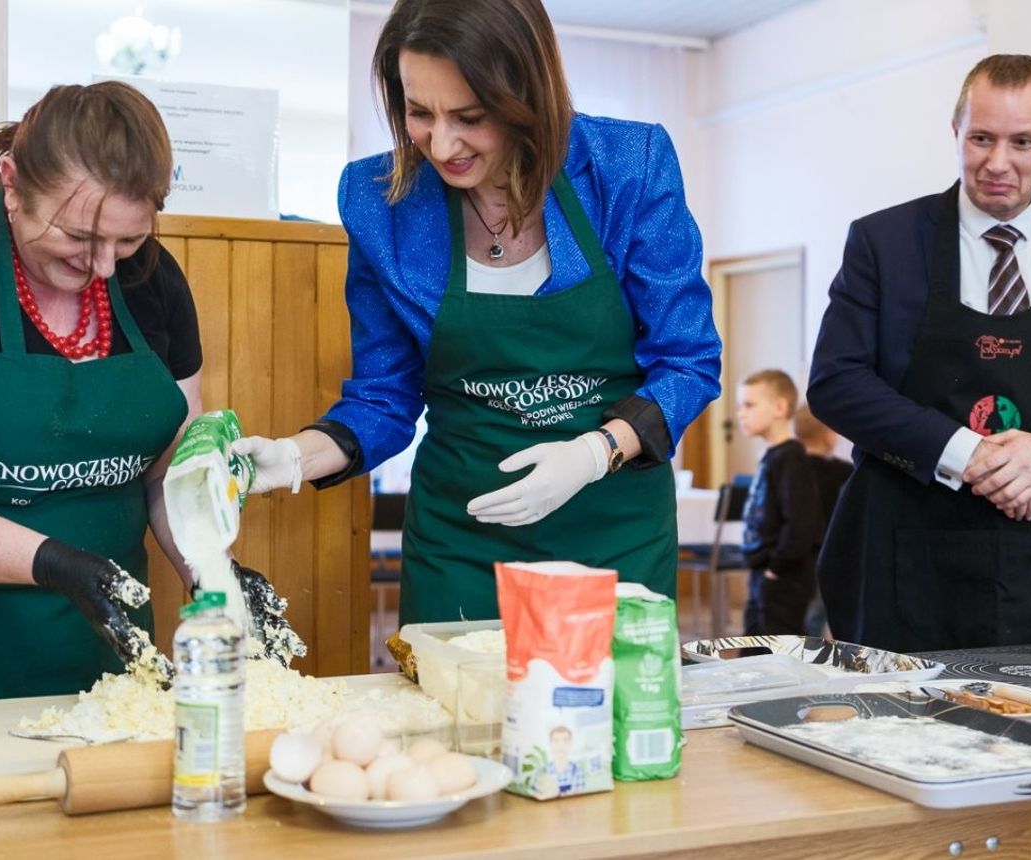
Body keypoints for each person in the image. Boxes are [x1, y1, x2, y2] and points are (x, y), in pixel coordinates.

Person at [0, 81, 287, 857]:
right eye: (76, 239)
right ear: (11, 183)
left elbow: (166, 465)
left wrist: (213, 571)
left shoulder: (154, 282)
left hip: (95, 672)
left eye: (127, 242)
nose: (102, 269)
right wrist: (51, 561)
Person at [234, 0, 721, 623]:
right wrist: (295, 458)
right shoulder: (382, 201)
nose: (442, 143)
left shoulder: (625, 167)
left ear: (528, 94)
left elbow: (688, 362)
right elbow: (384, 396)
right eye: (419, 112)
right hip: (460, 541)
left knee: (604, 716)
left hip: (612, 534)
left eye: (470, 116)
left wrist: (595, 453)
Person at [807, 54, 1031, 654]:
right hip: (902, 546)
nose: (998, 163)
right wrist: (969, 455)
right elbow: (836, 383)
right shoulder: (883, 243)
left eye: (1022, 142)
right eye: (981, 139)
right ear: (956, 132)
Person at [735, 370, 822, 636]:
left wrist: (777, 569)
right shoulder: (772, 455)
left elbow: (801, 522)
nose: (741, 413)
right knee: (754, 641)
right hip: (763, 572)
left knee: (776, 648)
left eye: (749, 405)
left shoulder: (790, 458)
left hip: (783, 577)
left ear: (780, 408)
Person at [790, 405, 852, 637]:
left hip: (796, 555)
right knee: (819, 612)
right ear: (829, 434)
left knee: (802, 615)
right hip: (831, 552)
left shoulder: (789, 468)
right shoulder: (845, 472)